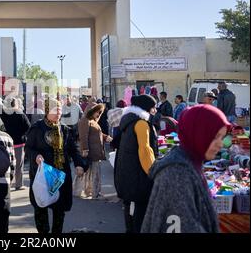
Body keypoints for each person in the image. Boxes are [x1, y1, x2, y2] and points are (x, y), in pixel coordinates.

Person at [141, 105, 229, 233]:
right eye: (215, 136)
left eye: (222, 137)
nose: (220, 144)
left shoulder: (190, 164)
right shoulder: (178, 174)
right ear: (200, 134)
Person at [26, 97, 87, 233]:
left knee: (59, 210)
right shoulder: (37, 128)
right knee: (41, 208)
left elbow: (73, 150)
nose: (59, 112)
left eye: (60, 109)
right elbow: (28, 148)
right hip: (42, 176)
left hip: (60, 175)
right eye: (55, 109)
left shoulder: (64, 129)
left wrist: (79, 164)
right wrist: (36, 156)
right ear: (47, 111)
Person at [114, 94, 158, 233]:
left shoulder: (128, 121)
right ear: (146, 108)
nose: (154, 111)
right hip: (138, 177)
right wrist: (153, 173)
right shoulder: (141, 124)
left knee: (130, 211)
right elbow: (145, 151)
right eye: (153, 108)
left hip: (127, 173)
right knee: (139, 214)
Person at [78, 103, 112, 199]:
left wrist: (105, 137)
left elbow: (97, 133)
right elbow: (83, 136)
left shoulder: (92, 121)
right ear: (91, 111)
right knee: (92, 173)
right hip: (91, 152)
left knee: (93, 173)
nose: (99, 114)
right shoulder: (85, 120)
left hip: (95, 152)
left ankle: (93, 192)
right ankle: (94, 193)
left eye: (100, 112)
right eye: (97, 111)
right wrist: (85, 149)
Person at [0, 98, 31, 190]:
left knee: (5, 164)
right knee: (18, 165)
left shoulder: (2, 114)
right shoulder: (20, 114)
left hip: (5, 142)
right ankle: (18, 184)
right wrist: (22, 134)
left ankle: (5, 184)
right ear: (15, 104)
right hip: (18, 143)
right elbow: (28, 127)